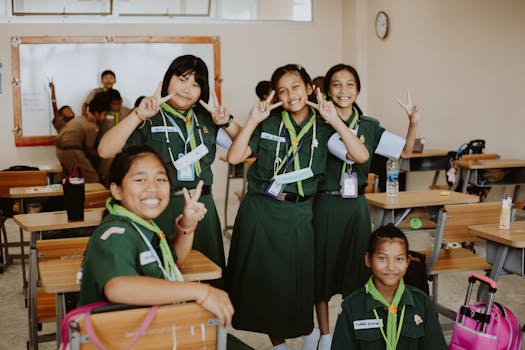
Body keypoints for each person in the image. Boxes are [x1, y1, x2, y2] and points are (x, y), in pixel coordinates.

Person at [225, 64, 368, 350]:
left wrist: (335, 120)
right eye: (282, 90)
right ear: (276, 95)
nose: (290, 95)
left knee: (296, 284)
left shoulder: (324, 124)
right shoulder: (269, 122)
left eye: (296, 87)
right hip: (261, 211)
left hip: (300, 213)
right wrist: (252, 120)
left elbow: (361, 155)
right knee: (262, 282)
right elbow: (235, 156)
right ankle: (277, 346)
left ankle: (309, 334)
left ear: (309, 88)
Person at [97, 55, 241, 288]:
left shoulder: (208, 118)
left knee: (207, 278)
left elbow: (246, 147)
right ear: (167, 80)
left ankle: (210, 324)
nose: (187, 89)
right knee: (164, 276)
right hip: (158, 208)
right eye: (182, 79)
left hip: (201, 207)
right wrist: (138, 115)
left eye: (196, 84)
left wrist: (227, 121)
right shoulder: (149, 115)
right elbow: (105, 150)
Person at [313, 63, 420, 349]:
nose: (343, 90)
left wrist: (413, 122)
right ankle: (324, 336)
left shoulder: (370, 126)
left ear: (358, 90)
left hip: (356, 206)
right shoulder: (318, 123)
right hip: (325, 204)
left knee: (358, 270)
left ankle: (351, 329)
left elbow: (405, 151)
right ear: (327, 89)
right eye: (336, 84)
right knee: (321, 272)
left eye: (350, 85)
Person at [78, 144, 233, 327]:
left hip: (153, 330)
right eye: (140, 180)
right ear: (117, 190)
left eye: (161, 179)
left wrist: (188, 223)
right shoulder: (115, 234)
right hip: (121, 339)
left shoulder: (143, 226)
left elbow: (172, 261)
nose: (153, 187)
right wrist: (201, 291)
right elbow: (118, 287)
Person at [331, 224, 447, 349]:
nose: (391, 267)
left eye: (399, 259)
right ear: (368, 259)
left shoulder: (422, 304)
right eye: (382, 258)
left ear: (408, 261)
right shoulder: (352, 307)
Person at [55, 91, 109, 183]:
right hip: (71, 151)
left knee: (69, 177)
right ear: (96, 113)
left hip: (60, 150)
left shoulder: (81, 118)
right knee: (92, 178)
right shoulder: (90, 126)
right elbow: (90, 149)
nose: (105, 117)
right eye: (104, 114)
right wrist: (104, 156)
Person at [97, 89, 132, 186]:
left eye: (119, 103)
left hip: (122, 147)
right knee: (105, 171)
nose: (117, 106)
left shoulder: (127, 112)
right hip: (107, 147)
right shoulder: (104, 113)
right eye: (114, 104)